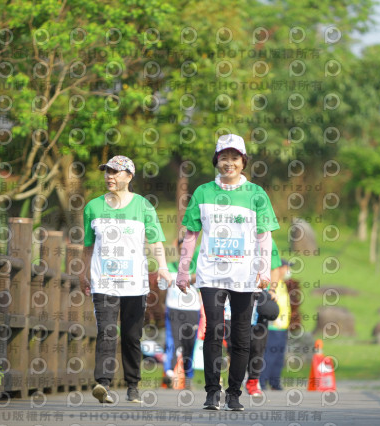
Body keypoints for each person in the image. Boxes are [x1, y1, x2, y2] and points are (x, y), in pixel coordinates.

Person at [176, 134, 280, 411]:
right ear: (216, 160)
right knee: (213, 331)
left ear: (243, 161)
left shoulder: (256, 194)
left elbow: (264, 237)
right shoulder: (203, 192)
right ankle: (212, 392)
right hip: (211, 273)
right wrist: (183, 271)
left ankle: (234, 394)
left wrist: (264, 271)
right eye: (224, 157)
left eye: (235, 157)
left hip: (245, 275)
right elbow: (191, 234)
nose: (229, 162)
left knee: (242, 336)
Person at [81, 155, 172, 404]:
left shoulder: (143, 206)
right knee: (107, 331)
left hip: (134, 282)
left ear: (129, 177)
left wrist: (162, 267)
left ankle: (133, 386)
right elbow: (88, 246)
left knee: (132, 336)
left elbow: (154, 240)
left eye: (116, 172)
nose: (110, 176)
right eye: (107, 171)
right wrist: (83, 273)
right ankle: (103, 384)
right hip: (104, 281)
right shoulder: (92, 207)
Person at [244, 238, 282, 396]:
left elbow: (275, 268)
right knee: (235, 341)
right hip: (237, 293)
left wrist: (272, 290)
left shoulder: (268, 242)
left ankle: (253, 381)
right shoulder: (236, 233)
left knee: (258, 344)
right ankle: (237, 376)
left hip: (259, 296)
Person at [163, 238, 200, 389]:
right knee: (174, 341)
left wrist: (189, 278)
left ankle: (188, 375)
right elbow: (162, 283)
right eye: (182, 247)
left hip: (193, 310)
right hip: (174, 309)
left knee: (189, 344)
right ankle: (170, 372)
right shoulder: (170, 267)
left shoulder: (197, 267)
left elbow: (202, 279)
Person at [261, 260, 298, 391]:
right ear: (280, 268)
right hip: (272, 326)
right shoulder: (272, 284)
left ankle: (274, 382)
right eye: (287, 267)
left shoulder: (282, 284)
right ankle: (262, 382)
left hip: (282, 327)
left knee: (278, 357)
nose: (289, 270)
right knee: (268, 356)